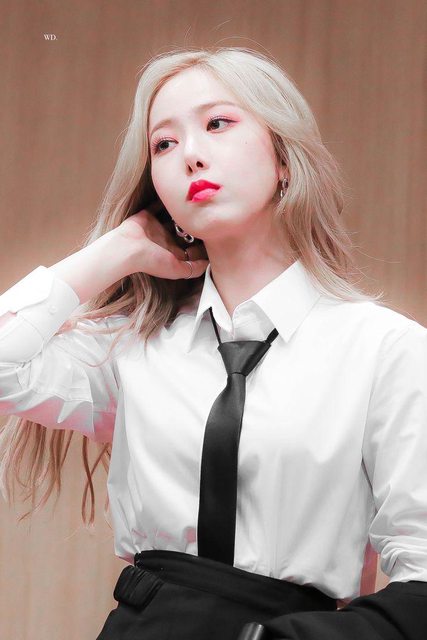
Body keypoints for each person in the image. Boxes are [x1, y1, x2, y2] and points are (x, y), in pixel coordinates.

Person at [0, 46, 426, 640]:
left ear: (284, 159)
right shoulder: (135, 348)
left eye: (218, 123)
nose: (191, 155)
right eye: (163, 144)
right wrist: (117, 249)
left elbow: (421, 573)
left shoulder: (386, 350)